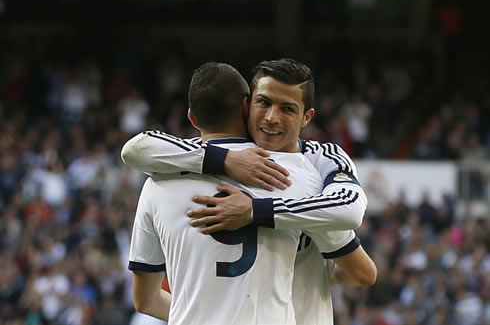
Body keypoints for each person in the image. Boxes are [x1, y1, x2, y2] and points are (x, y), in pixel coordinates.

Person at [122, 59, 376, 325]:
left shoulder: (159, 180)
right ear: (247, 106)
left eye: (287, 108)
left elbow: (351, 212)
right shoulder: (303, 183)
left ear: (307, 117)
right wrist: (226, 160)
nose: (271, 117)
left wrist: (255, 211)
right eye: (264, 103)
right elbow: (362, 273)